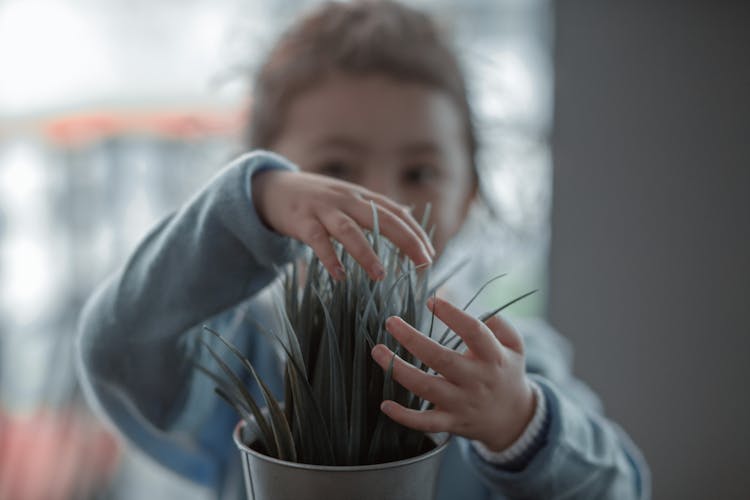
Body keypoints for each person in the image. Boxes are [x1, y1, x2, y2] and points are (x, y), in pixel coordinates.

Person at [76, 1, 650, 498]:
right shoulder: (247, 354)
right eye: (335, 169)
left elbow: (620, 488)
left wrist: (520, 422)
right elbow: (118, 347)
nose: (378, 200)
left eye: (420, 171)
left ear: (469, 192)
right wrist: (245, 206)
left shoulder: (498, 364)